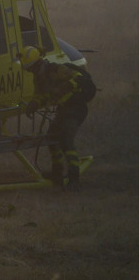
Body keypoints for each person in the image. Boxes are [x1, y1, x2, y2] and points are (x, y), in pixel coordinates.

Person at [21, 46, 95, 191]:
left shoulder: (57, 70)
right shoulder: (39, 78)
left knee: (66, 141)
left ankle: (74, 179)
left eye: (31, 67)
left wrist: (66, 87)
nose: (31, 71)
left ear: (38, 63)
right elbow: (41, 96)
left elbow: (79, 78)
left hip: (75, 108)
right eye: (28, 69)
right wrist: (34, 104)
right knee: (51, 138)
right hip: (64, 109)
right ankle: (57, 173)